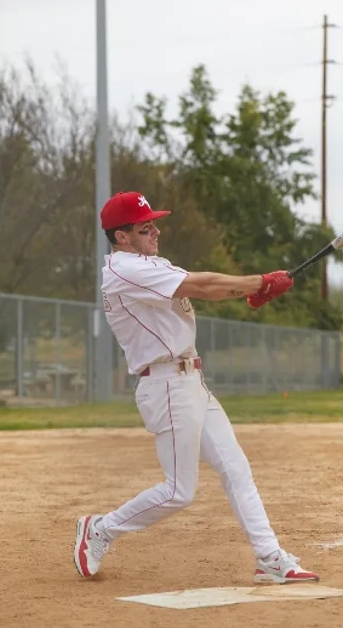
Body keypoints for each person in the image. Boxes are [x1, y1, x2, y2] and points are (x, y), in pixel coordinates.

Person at [73, 191, 319, 585]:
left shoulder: (150, 264)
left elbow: (206, 287)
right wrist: (259, 282)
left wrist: (250, 291)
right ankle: (100, 529)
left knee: (235, 467)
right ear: (121, 237)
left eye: (154, 222)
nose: (155, 230)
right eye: (144, 226)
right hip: (167, 385)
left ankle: (269, 557)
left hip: (191, 381)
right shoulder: (125, 269)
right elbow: (202, 285)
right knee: (178, 492)